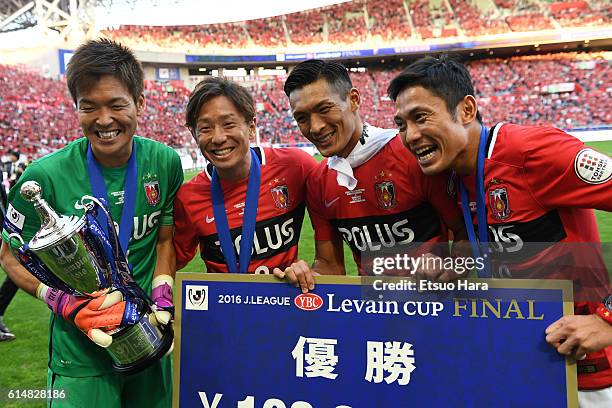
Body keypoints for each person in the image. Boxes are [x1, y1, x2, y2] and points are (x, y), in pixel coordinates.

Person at [388, 54, 611, 404]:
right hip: (515, 359)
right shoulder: (448, 178)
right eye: (401, 124)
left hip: (586, 371)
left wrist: (607, 320)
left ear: (465, 109)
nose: (411, 135)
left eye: (421, 117)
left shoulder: (533, 153)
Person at [0, 39, 182, 407]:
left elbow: (164, 241)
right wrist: (58, 300)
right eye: (89, 107)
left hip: (149, 336)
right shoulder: (43, 176)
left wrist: (162, 288)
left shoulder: (164, 162)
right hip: (80, 354)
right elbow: (9, 255)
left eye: (116, 104)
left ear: (140, 104)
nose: (103, 119)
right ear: (76, 108)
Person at [283, 59, 465, 277]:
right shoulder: (318, 180)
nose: (315, 127)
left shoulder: (411, 155)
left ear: (353, 100)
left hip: (433, 302)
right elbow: (330, 265)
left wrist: (453, 264)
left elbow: (464, 230)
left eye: (324, 109)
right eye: (301, 118)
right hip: (374, 306)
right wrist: (304, 277)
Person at [173, 77, 317, 292]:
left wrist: (311, 271)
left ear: (251, 127)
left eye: (229, 124)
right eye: (205, 128)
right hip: (227, 314)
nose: (218, 138)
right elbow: (170, 258)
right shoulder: (188, 197)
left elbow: (331, 237)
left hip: (287, 306)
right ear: (194, 135)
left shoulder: (295, 166)